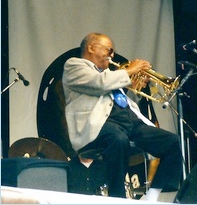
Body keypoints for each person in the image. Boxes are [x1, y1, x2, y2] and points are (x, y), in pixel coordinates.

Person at [62, 32, 182, 200]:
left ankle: (152, 197)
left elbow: (118, 100)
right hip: (101, 124)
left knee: (171, 141)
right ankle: (117, 197)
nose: (112, 55)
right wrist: (131, 70)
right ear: (91, 47)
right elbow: (99, 83)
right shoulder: (74, 65)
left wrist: (134, 85)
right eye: (109, 50)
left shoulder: (110, 75)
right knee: (117, 138)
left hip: (129, 122)